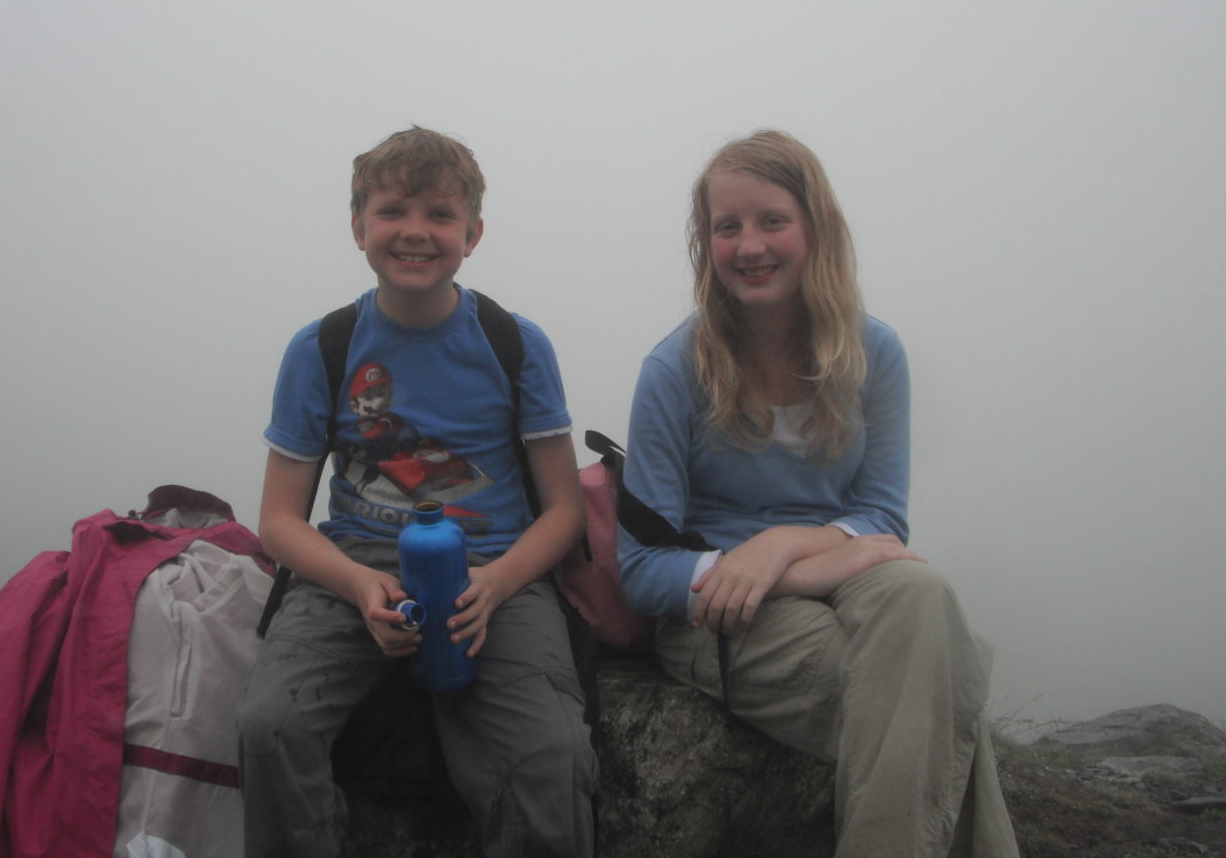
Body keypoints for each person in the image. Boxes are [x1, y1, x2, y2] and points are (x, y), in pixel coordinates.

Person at [617, 129, 1018, 858]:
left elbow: (883, 517)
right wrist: (781, 570)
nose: (750, 245)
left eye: (772, 220)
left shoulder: (875, 355)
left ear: (815, 228)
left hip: (840, 574)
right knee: (931, 690)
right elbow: (642, 564)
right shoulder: (674, 369)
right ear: (706, 245)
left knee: (925, 600)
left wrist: (786, 547)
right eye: (727, 227)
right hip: (722, 608)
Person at [236, 127, 596, 858]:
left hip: (497, 569)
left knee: (552, 757)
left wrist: (495, 586)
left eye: (439, 214)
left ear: (474, 233)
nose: (415, 232)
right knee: (269, 725)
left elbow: (564, 510)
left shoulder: (513, 344)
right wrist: (357, 583)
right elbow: (279, 520)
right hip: (355, 566)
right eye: (393, 210)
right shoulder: (323, 348)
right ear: (358, 226)